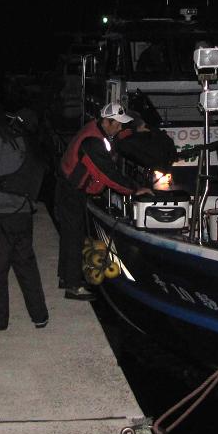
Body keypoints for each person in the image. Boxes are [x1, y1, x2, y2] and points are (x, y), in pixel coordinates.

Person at [54, 102, 153, 300]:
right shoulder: (92, 142)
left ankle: (66, 277)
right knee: (74, 237)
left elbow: (117, 137)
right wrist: (135, 189)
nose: (120, 128)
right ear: (106, 122)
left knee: (70, 235)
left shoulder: (98, 129)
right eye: (118, 124)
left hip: (70, 188)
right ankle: (73, 287)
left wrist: (135, 129)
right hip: (70, 192)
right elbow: (109, 174)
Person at [0, 108, 49, 330]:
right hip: (24, 215)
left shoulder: (10, 148)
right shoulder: (32, 147)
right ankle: (40, 316)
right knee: (27, 267)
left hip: (3, 216)